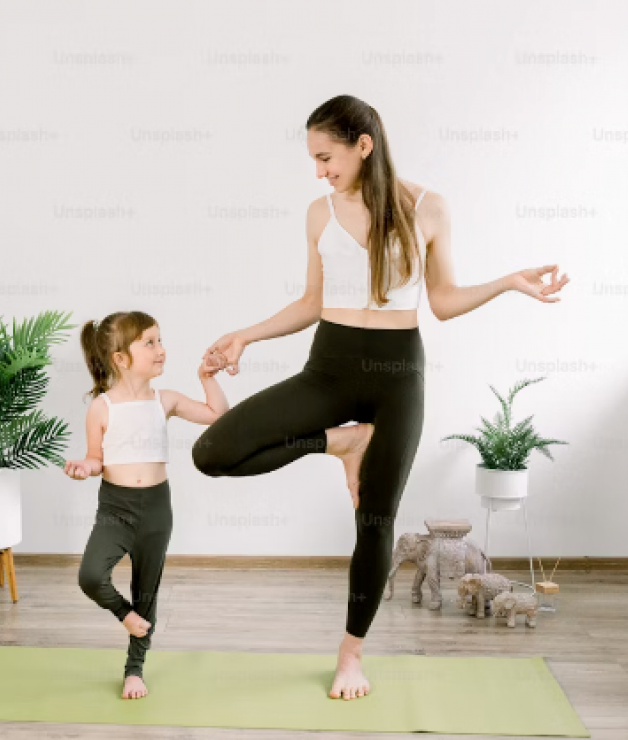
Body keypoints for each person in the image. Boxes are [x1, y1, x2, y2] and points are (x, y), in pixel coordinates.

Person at [192, 94, 570, 701]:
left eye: (326, 156)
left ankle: (350, 656)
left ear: (362, 144)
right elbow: (311, 303)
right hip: (329, 369)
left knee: (375, 521)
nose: (320, 170)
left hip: (398, 377)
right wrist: (246, 335)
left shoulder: (428, 208)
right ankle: (339, 442)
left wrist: (507, 283)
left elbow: (441, 302)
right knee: (212, 452)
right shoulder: (319, 213)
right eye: (314, 160)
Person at [64, 311, 229, 700]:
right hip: (115, 510)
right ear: (120, 358)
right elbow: (95, 459)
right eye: (150, 343)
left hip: (157, 509)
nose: (161, 350)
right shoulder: (101, 407)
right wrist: (82, 467)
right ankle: (125, 615)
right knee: (90, 576)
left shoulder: (164, 400)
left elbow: (216, 415)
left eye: (160, 340)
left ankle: (134, 669)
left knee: (147, 593)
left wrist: (207, 379)